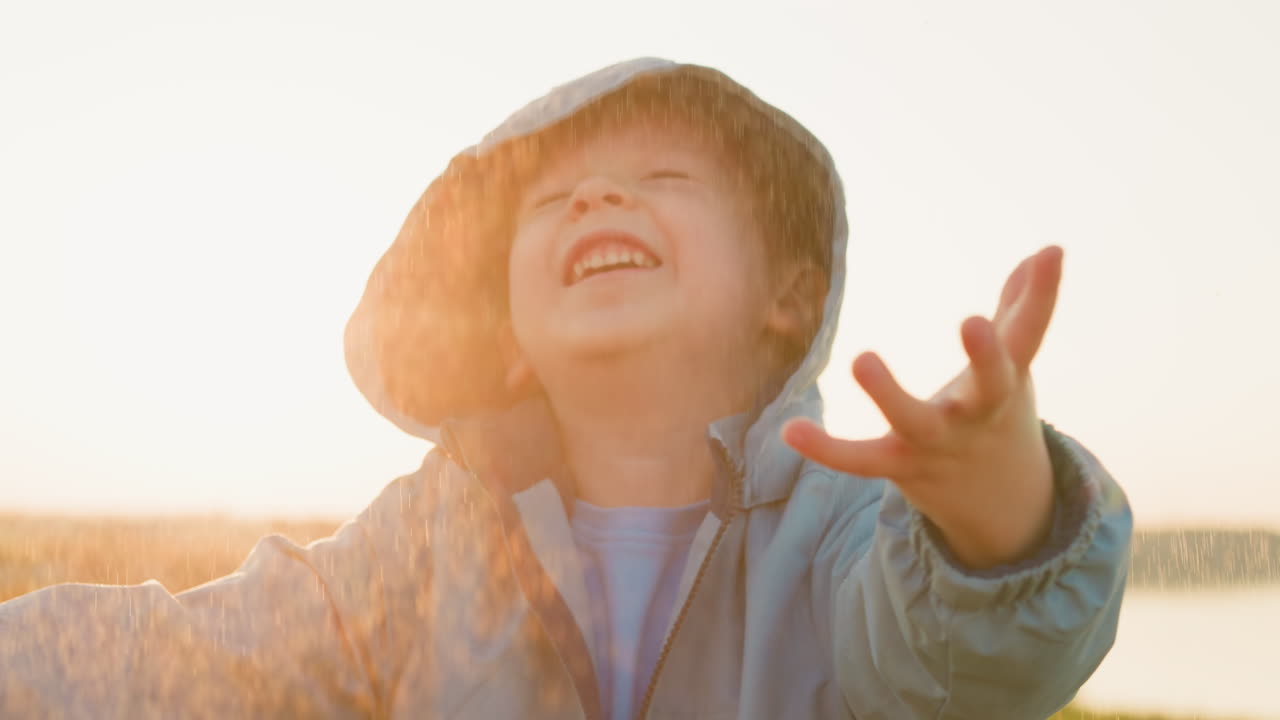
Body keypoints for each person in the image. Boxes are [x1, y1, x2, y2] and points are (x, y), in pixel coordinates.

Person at [0, 58, 1131, 719]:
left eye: (659, 177)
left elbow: (970, 665)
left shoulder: (839, 535)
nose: (593, 201)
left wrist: (993, 519)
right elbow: (200, 655)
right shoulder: (432, 536)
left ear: (785, 295)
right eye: (554, 202)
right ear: (506, 337)